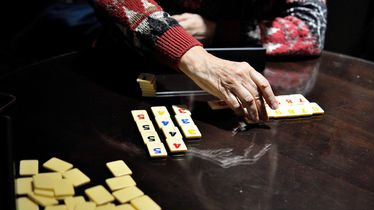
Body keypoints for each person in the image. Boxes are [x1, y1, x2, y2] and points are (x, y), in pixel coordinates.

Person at [92, 0, 327, 122]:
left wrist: (216, 29)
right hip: (123, 69)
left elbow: (310, 30)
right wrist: (195, 58)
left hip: (242, 73)